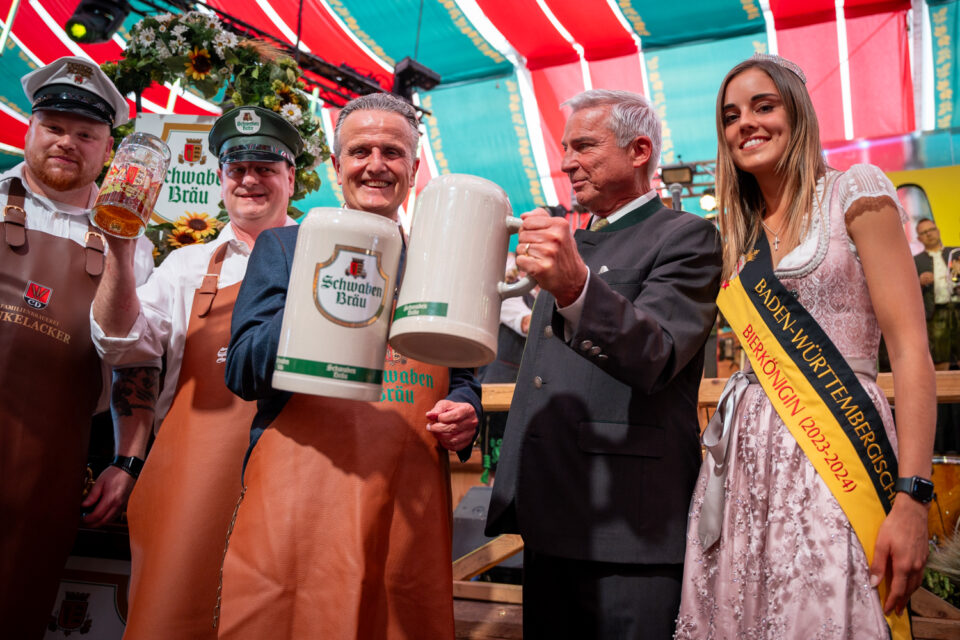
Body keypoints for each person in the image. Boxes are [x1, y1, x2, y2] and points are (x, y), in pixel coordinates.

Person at [676, 54, 934, 639]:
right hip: (745, 464)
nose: (746, 123)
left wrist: (913, 497)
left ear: (797, 112)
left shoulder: (853, 190)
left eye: (763, 106)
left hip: (837, 448)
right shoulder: (738, 232)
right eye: (731, 116)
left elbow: (910, 352)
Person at [219, 92, 482, 639]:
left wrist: (465, 410)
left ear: (414, 168)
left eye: (393, 152)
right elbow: (241, 371)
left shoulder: (439, 262)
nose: (376, 165)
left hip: (404, 499)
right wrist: (317, 285)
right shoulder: (284, 248)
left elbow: (461, 377)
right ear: (337, 166)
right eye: (361, 151)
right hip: (301, 498)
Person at [484, 89, 722, 639]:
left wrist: (575, 287)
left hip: (628, 525)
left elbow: (658, 353)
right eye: (565, 148)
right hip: (549, 514)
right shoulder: (577, 240)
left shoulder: (688, 236)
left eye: (584, 146)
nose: (567, 162)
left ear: (639, 151)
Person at [90, 106, 301, 639]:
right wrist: (119, 251)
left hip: (290, 484)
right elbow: (121, 343)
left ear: (291, 177)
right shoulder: (186, 266)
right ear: (220, 177)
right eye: (237, 168)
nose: (249, 180)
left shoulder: (319, 258)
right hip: (190, 489)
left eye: (265, 167)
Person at [0, 56, 155, 639]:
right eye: (54, 127)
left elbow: (133, 359)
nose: (68, 142)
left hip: (49, 468)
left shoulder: (131, 244)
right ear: (29, 129)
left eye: (86, 134)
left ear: (107, 148)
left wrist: (126, 460)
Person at [914, 218, 960, 370]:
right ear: (919, 238)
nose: (929, 234)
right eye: (924, 232)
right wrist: (919, 282)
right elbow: (907, 291)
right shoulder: (916, 261)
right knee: (940, 358)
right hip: (934, 314)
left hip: (958, 307)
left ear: (938, 231)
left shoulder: (956, 253)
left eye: (931, 230)